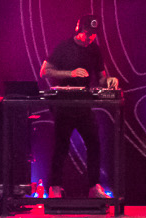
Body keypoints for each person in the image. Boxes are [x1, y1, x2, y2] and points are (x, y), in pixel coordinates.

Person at [41, 14, 116, 199]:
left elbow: (101, 77)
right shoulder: (64, 47)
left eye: (93, 34)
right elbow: (45, 71)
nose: (90, 37)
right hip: (64, 105)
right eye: (87, 33)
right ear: (78, 30)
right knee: (61, 146)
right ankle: (55, 187)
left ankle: (94, 187)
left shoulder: (95, 50)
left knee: (94, 144)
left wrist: (109, 81)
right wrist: (71, 73)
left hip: (83, 105)